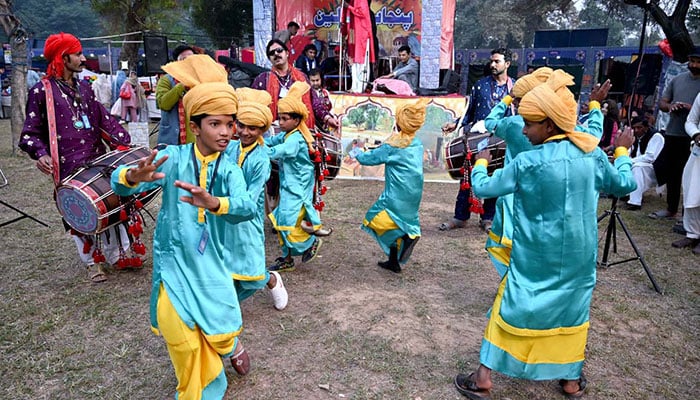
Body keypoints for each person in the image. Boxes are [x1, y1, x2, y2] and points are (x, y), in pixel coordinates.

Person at [454, 71, 636, 400]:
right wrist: (622, 152)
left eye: (530, 124)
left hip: (533, 256)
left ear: (550, 125)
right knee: (573, 311)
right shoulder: (591, 154)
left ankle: (483, 377)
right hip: (579, 258)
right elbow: (624, 184)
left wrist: (481, 163)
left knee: (508, 306)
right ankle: (570, 380)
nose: (523, 130)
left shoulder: (527, 163)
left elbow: (481, 189)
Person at [111, 54, 256, 398]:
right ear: (194, 126)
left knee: (219, 329)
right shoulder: (173, 158)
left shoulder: (230, 169)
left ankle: (228, 344)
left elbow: (247, 207)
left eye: (230, 124)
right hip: (174, 268)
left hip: (212, 266)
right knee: (183, 343)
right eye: (215, 124)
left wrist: (216, 203)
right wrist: (131, 176)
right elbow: (120, 184)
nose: (225, 132)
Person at [19, 32, 131, 283]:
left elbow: (103, 120)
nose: (83, 58)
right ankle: (93, 262)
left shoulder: (85, 87)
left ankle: (118, 254)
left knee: (112, 203)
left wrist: (124, 142)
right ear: (63, 57)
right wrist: (41, 153)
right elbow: (29, 133)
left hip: (96, 159)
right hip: (67, 165)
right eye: (78, 54)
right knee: (78, 212)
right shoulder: (41, 91)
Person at [225, 87, 288, 309]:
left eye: (252, 128)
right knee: (227, 262)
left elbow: (250, 198)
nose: (244, 132)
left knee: (251, 269)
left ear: (262, 130)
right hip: (224, 215)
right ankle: (225, 305)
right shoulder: (229, 147)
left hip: (247, 218)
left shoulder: (261, 159)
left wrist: (224, 206)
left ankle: (271, 279)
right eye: (241, 125)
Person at [439, 48, 515, 232]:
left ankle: (488, 218)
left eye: (497, 61)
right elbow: (469, 112)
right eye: (492, 61)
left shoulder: (515, 88)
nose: (493, 65)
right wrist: (456, 124)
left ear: (508, 64)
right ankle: (460, 217)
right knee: (468, 176)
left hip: (501, 141)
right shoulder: (480, 85)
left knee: (495, 178)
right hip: (476, 139)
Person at [356, 99, 428, 273]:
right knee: (400, 221)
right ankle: (393, 261)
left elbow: (369, 158)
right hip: (414, 193)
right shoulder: (417, 143)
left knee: (374, 219)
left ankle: (407, 236)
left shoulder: (394, 145)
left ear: (399, 121)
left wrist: (356, 149)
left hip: (396, 194)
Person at [266, 81, 325, 272]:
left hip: (297, 190)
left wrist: (258, 151)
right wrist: (256, 137)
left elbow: (277, 151)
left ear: (297, 120)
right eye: (279, 118)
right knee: (280, 220)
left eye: (284, 119)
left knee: (286, 223)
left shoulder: (296, 139)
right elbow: (271, 141)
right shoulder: (286, 134)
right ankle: (287, 258)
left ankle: (310, 243)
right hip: (289, 188)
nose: (280, 123)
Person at [649, 52, 700, 220]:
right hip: (673, 131)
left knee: (693, 176)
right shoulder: (677, 80)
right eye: (692, 61)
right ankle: (671, 209)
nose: (694, 65)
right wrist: (671, 106)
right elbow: (663, 102)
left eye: (698, 62)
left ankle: (690, 216)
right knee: (672, 172)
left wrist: (690, 107)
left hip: (694, 136)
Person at [252, 39, 315, 128]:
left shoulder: (302, 77)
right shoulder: (262, 79)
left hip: (300, 130)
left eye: (279, 50)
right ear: (269, 59)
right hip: (272, 132)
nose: (276, 54)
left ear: (287, 53)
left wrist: (327, 118)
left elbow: (314, 101)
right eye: (272, 53)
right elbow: (253, 108)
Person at [675, 91, 700, 254]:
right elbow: (690, 121)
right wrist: (696, 134)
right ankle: (692, 233)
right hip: (698, 151)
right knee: (691, 190)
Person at [155, 44, 196, 145]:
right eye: (184, 60)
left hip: (195, 139)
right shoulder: (166, 80)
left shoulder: (200, 80)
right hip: (172, 138)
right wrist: (181, 86)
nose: (188, 63)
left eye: (192, 59)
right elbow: (163, 104)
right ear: (176, 63)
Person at [625, 116, 665, 211]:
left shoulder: (656, 136)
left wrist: (630, 161)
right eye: (634, 128)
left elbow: (650, 157)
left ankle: (635, 202)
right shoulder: (636, 137)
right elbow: (630, 151)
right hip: (641, 164)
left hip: (656, 167)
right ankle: (624, 193)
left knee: (637, 168)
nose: (636, 130)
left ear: (646, 127)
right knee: (625, 164)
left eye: (639, 127)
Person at [344, 0, 376, 93]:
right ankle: (354, 86)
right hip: (353, 32)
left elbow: (362, 13)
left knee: (361, 62)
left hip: (362, 34)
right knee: (353, 61)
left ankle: (360, 87)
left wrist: (349, 7)